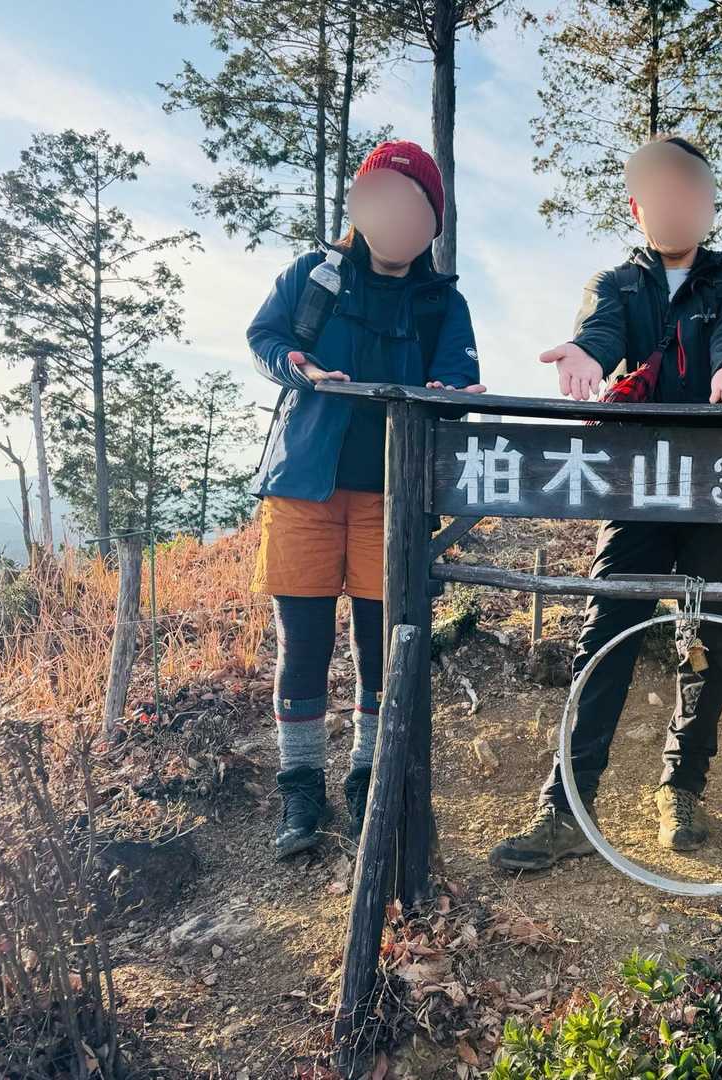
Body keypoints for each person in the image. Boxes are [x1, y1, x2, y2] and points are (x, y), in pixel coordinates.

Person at [488, 134, 722, 872]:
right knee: (605, 630)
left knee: (709, 636)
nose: (675, 205)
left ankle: (683, 788)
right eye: (660, 193)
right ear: (637, 207)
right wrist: (587, 353)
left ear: (709, 204)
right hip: (636, 486)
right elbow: (601, 332)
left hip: (719, 487)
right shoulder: (615, 283)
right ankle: (567, 806)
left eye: (690, 192)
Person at [247, 139, 485, 859]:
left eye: (414, 205)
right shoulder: (314, 275)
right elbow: (264, 336)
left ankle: (366, 778)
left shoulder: (443, 303)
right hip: (304, 487)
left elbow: (457, 378)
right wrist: (297, 364)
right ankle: (300, 788)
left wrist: (449, 396)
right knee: (303, 644)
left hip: (395, 498)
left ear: (432, 221)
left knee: (380, 646)